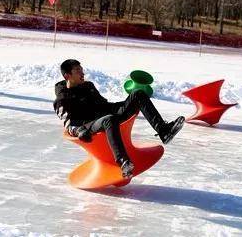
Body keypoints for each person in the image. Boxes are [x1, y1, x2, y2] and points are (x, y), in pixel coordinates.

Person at [54, 59, 185, 179]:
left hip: (108, 115)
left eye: (82, 70)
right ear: (67, 76)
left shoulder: (88, 86)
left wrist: (122, 106)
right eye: (78, 71)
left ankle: (164, 131)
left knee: (138, 94)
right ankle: (123, 162)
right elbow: (68, 123)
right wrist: (78, 131)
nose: (82, 73)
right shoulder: (62, 98)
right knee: (108, 119)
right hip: (88, 125)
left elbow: (104, 105)